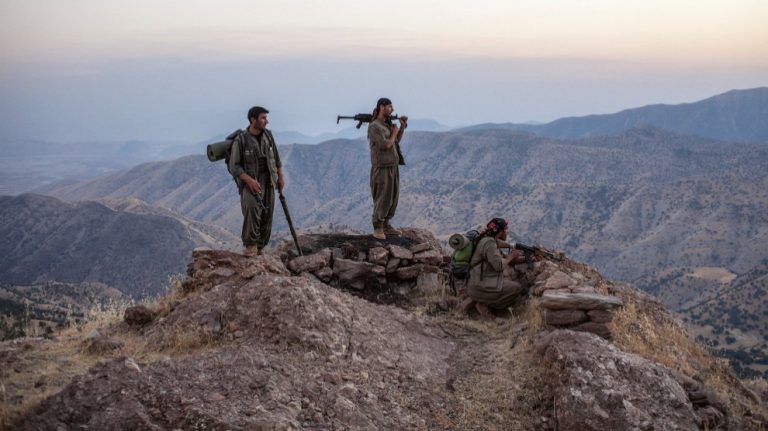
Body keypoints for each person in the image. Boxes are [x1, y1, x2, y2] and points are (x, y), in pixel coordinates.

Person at [228, 106, 285, 256]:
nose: (267, 121)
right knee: (252, 209)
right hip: (250, 182)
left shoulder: (268, 136)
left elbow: (276, 159)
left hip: (269, 180)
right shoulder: (241, 140)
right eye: (263, 118)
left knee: (267, 213)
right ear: (253, 120)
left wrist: (280, 177)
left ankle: (260, 247)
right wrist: (249, 181)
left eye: (266, 117)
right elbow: (234, 166)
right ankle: (251, 246)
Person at [466, 218, 528, 317]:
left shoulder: (488, 240)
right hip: (479, 286)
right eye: (506, 229)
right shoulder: (489, 244)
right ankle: (486, 305)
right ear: (500, 231)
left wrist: (526, 258)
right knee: (516, 288)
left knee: (510, 281)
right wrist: (512, 255)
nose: (507, 232)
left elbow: (506, 259)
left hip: (479, 282)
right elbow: (499, 266)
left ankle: (484, 300)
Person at [367, 97, 408, 240]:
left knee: (392, 198)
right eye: (390, 107)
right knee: (382, 198)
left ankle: (386, 225)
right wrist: (394, 132)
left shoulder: (386, 125)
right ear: (381, 107)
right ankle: (378, 227)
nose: (392, 109)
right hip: (382, 168)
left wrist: (401, 128)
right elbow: (385, 145)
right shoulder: (374, 126)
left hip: (392, 166)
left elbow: (395, 142)